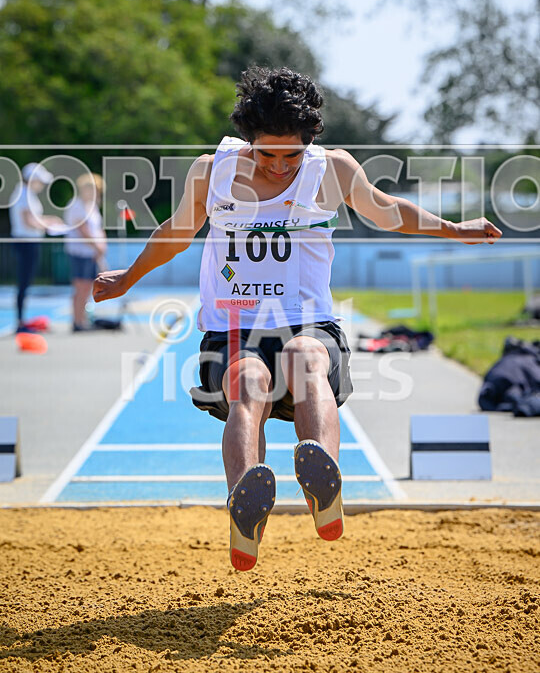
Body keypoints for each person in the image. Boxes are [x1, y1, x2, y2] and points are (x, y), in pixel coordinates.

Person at [93, 67, 502, 571]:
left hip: (307, 320)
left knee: (306, 359)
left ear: (309, 142)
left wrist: (455, 230)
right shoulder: (212, 171)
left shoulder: (331, 169)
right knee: (249, 380)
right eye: (267, 153)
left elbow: (386, 210)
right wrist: (129, 277)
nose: (281, 165)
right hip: (234, 325)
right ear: (248, 139)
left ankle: (323, 483)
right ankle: (246, 506)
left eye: (293, 154)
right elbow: (176, 233)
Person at [9, 163, 63, 331]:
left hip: (28, 242)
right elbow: (29, 222)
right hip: (25, 242)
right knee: (23, 282)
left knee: (25, 282)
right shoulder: (23, 194)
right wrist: (48, 225)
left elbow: (32, 219)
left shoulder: (27, 194)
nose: (41, 184)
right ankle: (19, 322)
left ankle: (21, 321)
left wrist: (48, 220)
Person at [65, 173, 107, 331]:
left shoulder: (92, 207)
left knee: (88, 286)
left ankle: (82, 319)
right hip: (79, 252)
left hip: (91, 253)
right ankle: (77, 321)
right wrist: (97, 247)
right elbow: (83, 230)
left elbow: (98, 229)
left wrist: (102, 246)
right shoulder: (76, 205)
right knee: (80, 287)